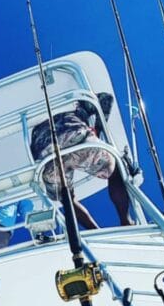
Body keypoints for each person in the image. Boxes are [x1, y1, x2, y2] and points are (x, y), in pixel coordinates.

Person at [30, 92, 133, 228]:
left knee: (67, 199)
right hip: (76, 137)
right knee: (115, 170)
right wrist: (97, 128)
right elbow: (106, 98)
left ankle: (95, 231)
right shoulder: (78, 108)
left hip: (47, 157)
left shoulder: (34, 131)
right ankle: (126, 221)